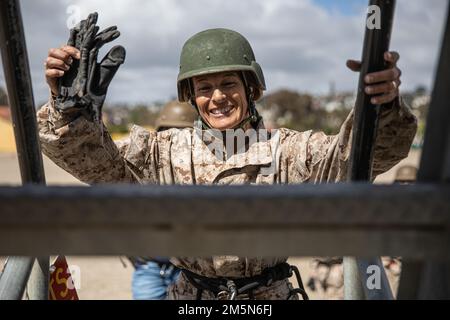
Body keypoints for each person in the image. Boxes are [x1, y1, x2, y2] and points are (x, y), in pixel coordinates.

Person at [38, 13, 417, 300]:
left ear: (250, 88)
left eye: (228, 84)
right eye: (204, 87)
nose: (217, 97)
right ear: (191, 95)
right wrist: (71, 112)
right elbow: (97, 166)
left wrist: (377, 107)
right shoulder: (161, 152)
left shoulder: (290, 151)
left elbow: (359, 159)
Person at [129, 100, 197, 300]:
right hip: (150, 267)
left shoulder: (202, 174)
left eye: (182, 132)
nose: (175, 138)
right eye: (168, 132)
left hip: (190, 271)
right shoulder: (146, 170)